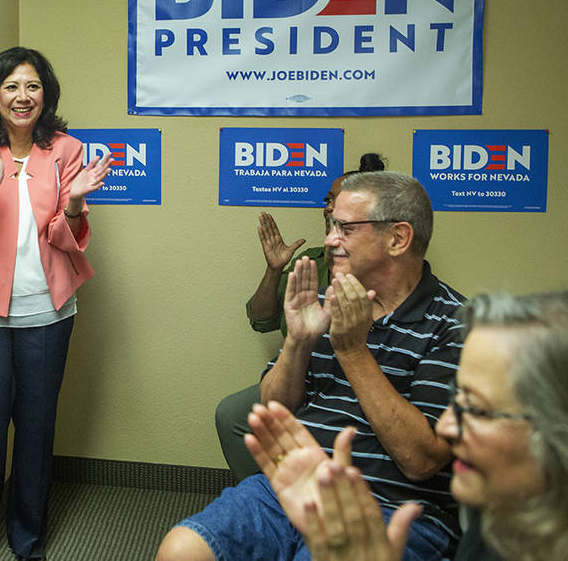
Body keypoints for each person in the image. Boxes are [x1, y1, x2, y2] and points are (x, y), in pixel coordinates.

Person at [157, 171, 465, 561]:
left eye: (345, 228)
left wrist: (353, 352)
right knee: (181, 549)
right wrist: (299, 341)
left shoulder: (454, 324)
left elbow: (421, 461)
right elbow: (273, 408)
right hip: (295, 487)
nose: (329, 239)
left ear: (398, 238)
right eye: (332, 224)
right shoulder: (322, 298)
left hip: (391, 508)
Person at [0, 46, 111, 561]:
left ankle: (27, 537)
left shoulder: (65, 149)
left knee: (36, 427)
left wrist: (76, 202)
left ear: (45, 95)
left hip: (47, 311)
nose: (22, 96)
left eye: (32, 86)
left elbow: (65, 235)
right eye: (12, 86)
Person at [245, 290, 568, 561]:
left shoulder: (444, 320)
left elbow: (421, 459)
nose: (445, 428)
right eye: (456, 400)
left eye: (478, 410)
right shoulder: (494, 530)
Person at [217, 153, 385, 481]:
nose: (327, 207)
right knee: (233, 415)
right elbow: (261, 320)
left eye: (337, 199)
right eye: (328, 199)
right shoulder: (311, 262)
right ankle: (267, 498)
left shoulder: (382, 267)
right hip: (302, 375)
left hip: (358, 381)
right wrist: (274, 269)